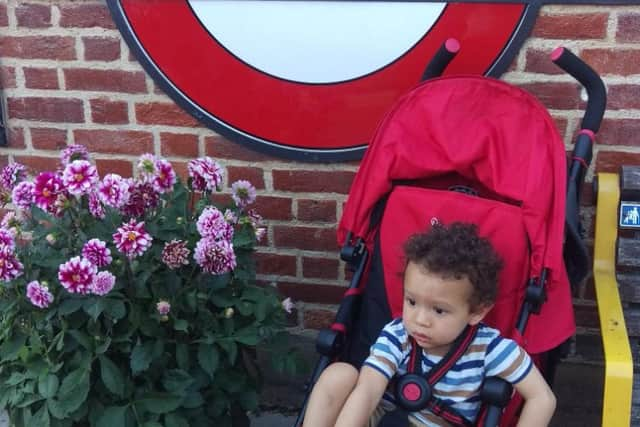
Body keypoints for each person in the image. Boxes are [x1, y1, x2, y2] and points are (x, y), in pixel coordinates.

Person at [303, 222, 556, 427]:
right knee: (340, 374)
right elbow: (368, 390)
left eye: (439, 310)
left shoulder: (490, 349)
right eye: (411, 301)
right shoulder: (398, 334)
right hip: (384, 418)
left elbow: (542, 398)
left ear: (477, 312)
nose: (420, 320)